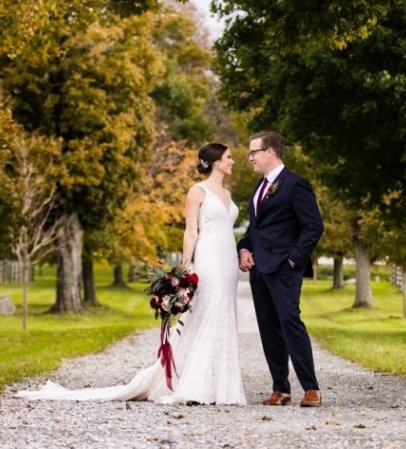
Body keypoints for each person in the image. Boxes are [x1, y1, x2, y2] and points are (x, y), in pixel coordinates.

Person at [17, 143, 246, 405]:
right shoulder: (197, 191)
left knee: (223, 316)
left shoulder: (227, 193)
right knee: (206, 315)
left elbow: (227, 230)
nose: (233, 161)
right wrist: (184, 266)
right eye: (229, 157)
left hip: (228, 263)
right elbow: (191, 231)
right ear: (216, 161)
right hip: (209, 261)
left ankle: (220, 385)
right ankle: (196, 384)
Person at [237, 131, 325, 407]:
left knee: (290, 322)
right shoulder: (258, 188)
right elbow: (255, 229)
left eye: (254, 152)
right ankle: (280, 389)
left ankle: (311, 388)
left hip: (284, 268)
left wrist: (293, 260)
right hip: (259, 270)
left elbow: (313, 226)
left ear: (270, 152)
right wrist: (243, 248)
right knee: (268, 327)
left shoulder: (296, 184)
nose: (250, 157)